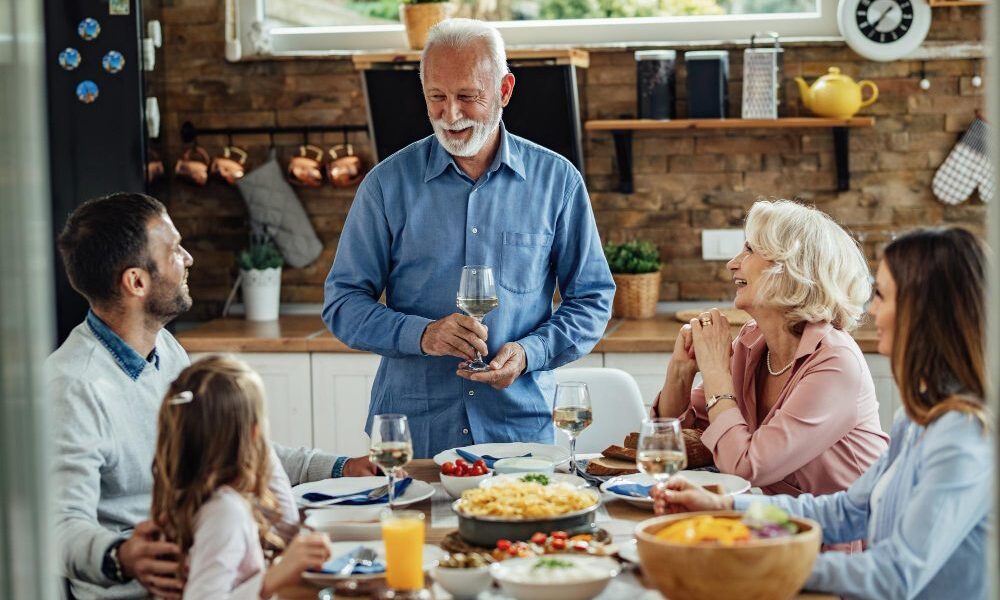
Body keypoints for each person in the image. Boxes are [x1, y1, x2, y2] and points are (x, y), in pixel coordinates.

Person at [48, 192, 376, 599]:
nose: (187, 258)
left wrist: (341, 468)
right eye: (173, 250)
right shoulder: (72, 386)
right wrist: (123, 556)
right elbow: (56, 525)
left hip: (220, 573)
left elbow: (233, 444)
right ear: (136, 281)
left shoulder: (165, 350)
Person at [323, 19, 615, 457]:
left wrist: (529, 352)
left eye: (468, 97)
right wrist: (421, 335)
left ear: (504, 90)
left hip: (519, 432)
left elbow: (592, 299)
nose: (451, 114)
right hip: (414, 433)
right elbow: (342, 303)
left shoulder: (558, 181)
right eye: (436, 97)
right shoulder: (386, 186)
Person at [654, 227, 991, 600]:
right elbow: (848, 510)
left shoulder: (964, 438)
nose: (871, 310)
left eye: (881, 295)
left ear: (925, 312)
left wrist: (751, 557)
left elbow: (894, 576)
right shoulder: (920, 418)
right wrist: (727, 506)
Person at [653, 200, 888, 496]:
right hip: (775, 524)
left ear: (790, 269)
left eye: (750, 250)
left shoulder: (836, 362)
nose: (732, 263)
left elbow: (746, 467)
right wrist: (680, 373)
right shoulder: (753, 341)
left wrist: (714, 371)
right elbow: (666, 444)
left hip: (836, 537)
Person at [151, 356, 332, 599]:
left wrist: (256, 443)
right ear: (254, 433)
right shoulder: (225, 511)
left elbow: (285, 529)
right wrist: (270, 580)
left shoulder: (191, 493)